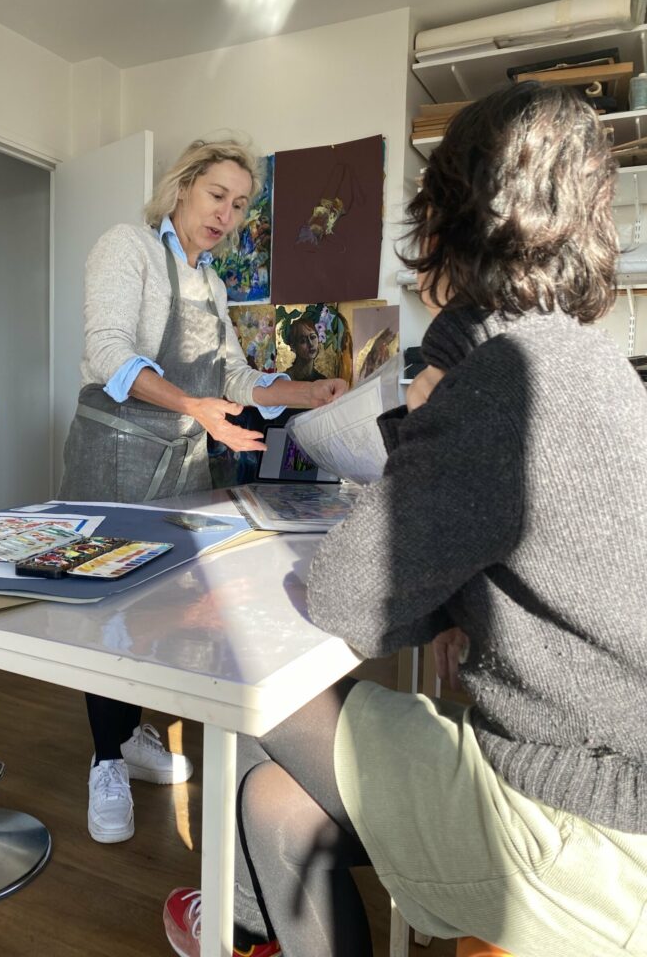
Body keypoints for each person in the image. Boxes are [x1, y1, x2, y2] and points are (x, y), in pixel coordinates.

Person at [163, 84, 647, 957]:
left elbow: (356, 600)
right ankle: (246, 920)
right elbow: (439, 589)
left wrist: (423, 406)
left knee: (248, 678)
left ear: (452, 222)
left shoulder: (510, 380)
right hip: (612, 789)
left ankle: (231, 920)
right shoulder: (598, 365)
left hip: (580, 831)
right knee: (273, 804)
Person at [58, 138, 347, 845]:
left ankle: (128, 731)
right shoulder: (126, 246)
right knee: (108, 606)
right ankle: (104, 758)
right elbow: (108, 351)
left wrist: (311, 390)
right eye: (217, 194)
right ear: (182, 186)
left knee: (163, 605)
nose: (228, 213)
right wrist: (195, 408)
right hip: (116, 457)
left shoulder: (213, 284)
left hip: (180, 462)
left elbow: (236, 382)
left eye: (242, 203)